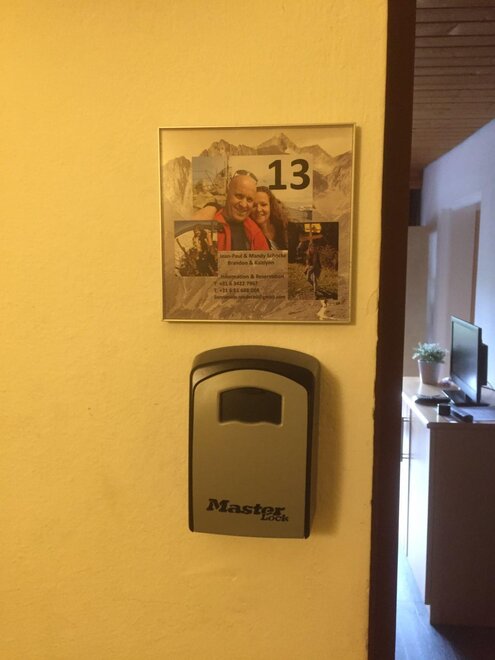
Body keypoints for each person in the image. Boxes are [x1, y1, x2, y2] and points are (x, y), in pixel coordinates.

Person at [194, 172, 269, 251]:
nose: (243, 205)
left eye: (249, 200)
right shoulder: (208, 221)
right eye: (239, 196)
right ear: (227, 192)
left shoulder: (254, 231)